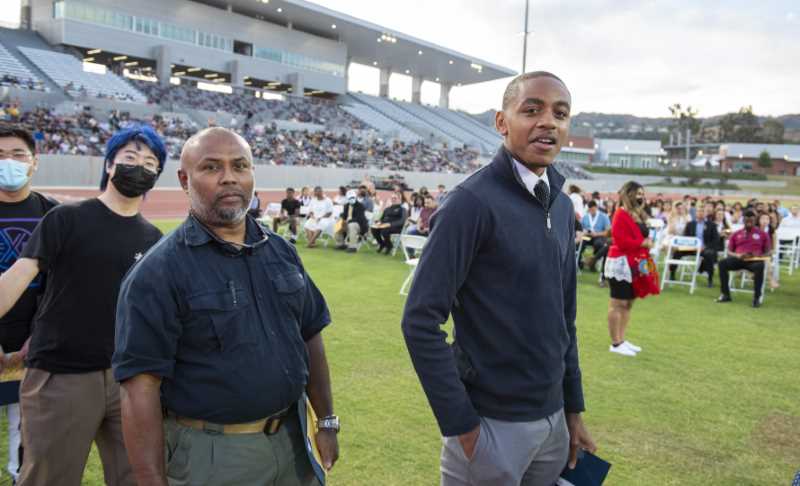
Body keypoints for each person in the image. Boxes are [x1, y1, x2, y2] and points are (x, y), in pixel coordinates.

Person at [113, 127, 338, 486]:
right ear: (185, 179)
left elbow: (310, 334)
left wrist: (326, 421)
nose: (229, 177)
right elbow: (139, 388)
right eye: (212, 167)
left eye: (240, 166)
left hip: (293, 441)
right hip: (213, 456)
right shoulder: (157, 273)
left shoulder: (281, 251)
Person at [402, 71, 595, 486]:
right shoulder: (469, 204)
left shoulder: (561, 207)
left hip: (554, 421)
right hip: (491, 426)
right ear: (501, 122)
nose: (548, 122)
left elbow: (565, 318)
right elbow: (419, 320)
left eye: (560, 114)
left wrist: (573, 409)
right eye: (532, 110)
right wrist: (462, 426)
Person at [0, 125, 167, 486]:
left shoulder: (154, 239)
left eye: (151, 163)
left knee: (136, 476)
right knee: (49, 477)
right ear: (109, 165)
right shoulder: (65, 218)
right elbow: (18, 277)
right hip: (61, 375)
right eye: (130, 158)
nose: (140, 166)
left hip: (127, 379)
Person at [0, 126, 59, 485]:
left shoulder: (53, 215)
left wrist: (36, 338)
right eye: (0, 154)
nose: (9, 162)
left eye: (18, 155)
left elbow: (64, 286)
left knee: (27, 433)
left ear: (34, 163)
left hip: (34, 348)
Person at [604, 181, 660, 357]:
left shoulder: (639, 214)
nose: (641, 197)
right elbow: (620, 241)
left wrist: (648, 242)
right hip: (621, 263)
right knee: (618, 303)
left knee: (628, 303)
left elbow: (643, 235)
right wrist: (642, 242)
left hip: (636, 263)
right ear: (629, 194)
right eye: (638, 193)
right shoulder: (620, 214)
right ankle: (615, 343)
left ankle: (622, 339)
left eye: (642, 193)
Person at [716, 210, 771, 308]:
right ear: (744, 221)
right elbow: (729, 251)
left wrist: (757, 256)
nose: (749, 222)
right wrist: (737, 255)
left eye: (751, 220)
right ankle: (725, 294)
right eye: (747, 220)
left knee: (760, 266)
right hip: (739, 259)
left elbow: (768, 252)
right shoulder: (736, 234)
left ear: (755, 221)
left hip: (754, 260)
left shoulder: (762, 234)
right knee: (722, 263)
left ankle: (756, 298)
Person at [677, 205, 721, 287]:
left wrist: (705, 247)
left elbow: (716, 240)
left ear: (705, 213)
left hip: (704, 248)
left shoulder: (712, 225)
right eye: (698, 211)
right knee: (677, 252)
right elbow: (685, 237)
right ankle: (672, 274)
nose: (700, 213)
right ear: (695, 213)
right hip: (691, 248)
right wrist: (690, 246)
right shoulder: (690, 224)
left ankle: (710, 279)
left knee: (710, 255)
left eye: (702, 211)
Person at [578, 200, 611, 272]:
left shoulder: (604, 216)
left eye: (593, 210)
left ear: (596, 208)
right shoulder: (585, 216)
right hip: (587, 237)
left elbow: (608, 232)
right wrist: (584, 231)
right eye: (590, 210)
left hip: (598, 236)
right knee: (580, 243)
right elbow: (580, 228)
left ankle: (593, 262)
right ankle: (579, 264)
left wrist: (597, 234)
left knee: (598, 243)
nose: (591, 211)